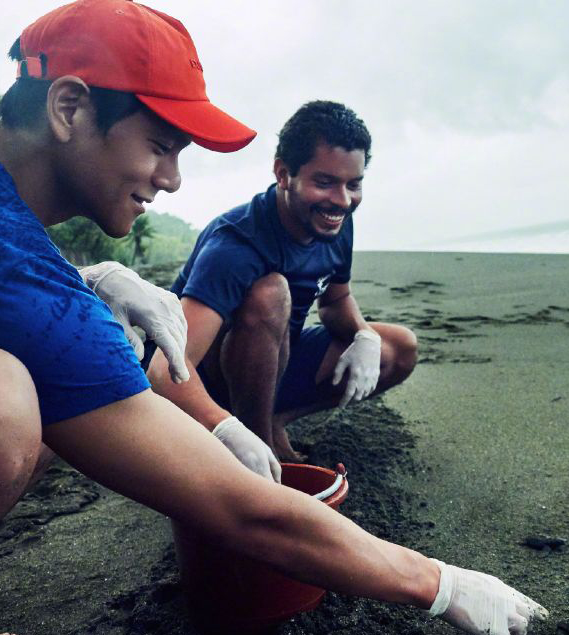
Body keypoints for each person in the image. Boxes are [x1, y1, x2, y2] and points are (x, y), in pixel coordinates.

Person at [0, 0, 545, 635]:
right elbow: (243, 512)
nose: (172, 178)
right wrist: (439, 584)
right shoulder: (39, 292)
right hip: (202, 386)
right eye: (161, 146)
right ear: (70, 108)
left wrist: (86, 276)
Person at [146, 101, 417, 471]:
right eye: (324, 182)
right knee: (270, 293)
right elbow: (165, 370)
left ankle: (275, 420)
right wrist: (224, 428)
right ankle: (253, 442)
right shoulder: (235, 245)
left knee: (398, 348)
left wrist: (364, 336)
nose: (341, 200)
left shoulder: (335, 221)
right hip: (206, 380)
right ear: (284, 173)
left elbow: (336, 302)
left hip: (276, 362)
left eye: (353, 184)